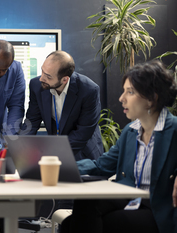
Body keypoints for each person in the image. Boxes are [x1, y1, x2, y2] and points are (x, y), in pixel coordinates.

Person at [61, 60, 177, 233]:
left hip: (158, 206)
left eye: (129, 92)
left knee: (109, 223)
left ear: (152, 97)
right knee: (77, 212)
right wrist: (61, 169)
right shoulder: (130, 132)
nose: (121, 98)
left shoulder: (174, 129)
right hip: (129, 198)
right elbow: (101, 166)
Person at [20, 51, 103, 161]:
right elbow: (32, 121)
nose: (41, 78)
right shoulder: (37, 85)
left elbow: (83, 132)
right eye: (42, 71)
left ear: (65, 79)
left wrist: (54, 152)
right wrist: (21, 147)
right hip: (55, 154)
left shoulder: (89, 90)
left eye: (48, 76)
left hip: (83, 154)